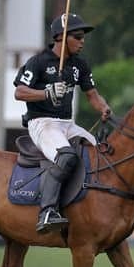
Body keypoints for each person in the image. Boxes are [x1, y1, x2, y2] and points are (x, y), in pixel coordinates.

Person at [13, 12, 112, 233]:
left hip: (67, 124)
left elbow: (92, 95)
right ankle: (47, 211)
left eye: (83, 36)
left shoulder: (79, 65)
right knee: (66, 156)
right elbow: (19, 92)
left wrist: (103, 107)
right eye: (77, 36)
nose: (82, 41)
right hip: (42, 123)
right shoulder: (38, 61)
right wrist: (46, 93)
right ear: (61, 37)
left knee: (101, 155)